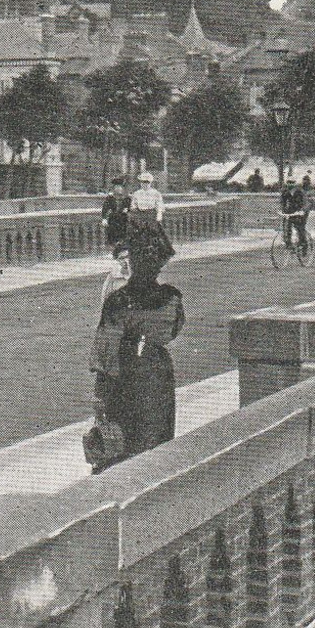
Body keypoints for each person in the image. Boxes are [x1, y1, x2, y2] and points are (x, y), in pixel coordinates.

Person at [91, 230, 185, 466]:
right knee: (157, 440)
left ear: (132, 262)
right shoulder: (171, 298)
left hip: (124, 375)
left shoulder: (118, 301)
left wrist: (100, 393)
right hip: (157, 371)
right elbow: (173, 330)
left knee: (123, 445)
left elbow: (105, 352)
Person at [279, 176, 310, 249]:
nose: (290, 184)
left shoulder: (300, 192)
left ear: (295, 183)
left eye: (292, 183)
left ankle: (304, 245)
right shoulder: (285, 192)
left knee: (300, 227)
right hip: (292, 210)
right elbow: (282, 203)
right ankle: (288, 243)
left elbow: (306, 203)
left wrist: (302, 210)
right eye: (288, 182)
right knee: (287, 225)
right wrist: (282, 211)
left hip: (302, 211)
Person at [101, 178, 131, 247]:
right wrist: (104, 219)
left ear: (122, 188)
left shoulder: (127, 198)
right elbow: (105, 209)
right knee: (112, 238)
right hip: (113, 220)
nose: (118, 188)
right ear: (114, 188)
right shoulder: (110, 198)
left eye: (120, 187)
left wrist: (127, 210)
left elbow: (131, 207)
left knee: (122, 238)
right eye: (116, 187)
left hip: (123, 220)